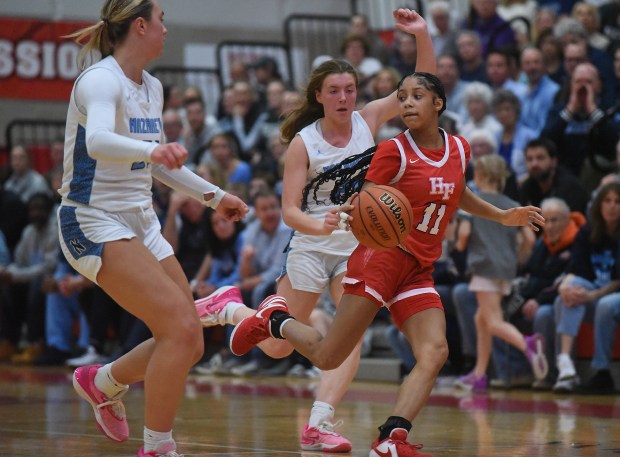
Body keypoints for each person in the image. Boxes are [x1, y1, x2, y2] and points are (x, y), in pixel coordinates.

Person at [227, 71, 545, 456]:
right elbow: (367, 202)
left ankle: (392, 438)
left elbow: (457, 192)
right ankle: (275, 318)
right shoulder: (394, 150)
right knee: (330, 355)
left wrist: (502, 215)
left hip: (419, 266)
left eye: (418, 96)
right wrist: (349, 213)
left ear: (438, 104)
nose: (408, 103)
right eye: (403, 97)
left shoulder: (460, 148)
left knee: (435, 352)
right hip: (381, 259)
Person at [195, 8, 438, 454]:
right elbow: (289, 211)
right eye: (334, 91)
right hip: (310, 243)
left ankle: (319, 423)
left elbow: (422, 84)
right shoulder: (303, 142)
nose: (344, 97)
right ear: (320, 96)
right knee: (276, 350)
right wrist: (320, 222)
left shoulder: (369, 120)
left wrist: (422, 33)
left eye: (349, 89)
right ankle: (231, 310)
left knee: (348, 340)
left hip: (358, 248)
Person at [60, 2, 248, 456]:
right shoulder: (100, 80)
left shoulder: (153, 87)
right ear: (140, 25)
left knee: (189, 342)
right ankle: (159, 447)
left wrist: (214, 196)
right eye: (161, 18)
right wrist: (152, 154)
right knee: (182, 331)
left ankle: (101, 381)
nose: (167, 27)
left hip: (141, 220)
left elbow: (160, 162)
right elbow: (101, 141)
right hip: (92, 218)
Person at [452, 154, 545, 393]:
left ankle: (528, 344)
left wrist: (457, 246)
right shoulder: (512, 203)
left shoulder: (472, 202)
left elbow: (462, 237)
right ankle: (480, 375)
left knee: (492, 321)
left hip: (484, 265)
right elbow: (529, 239)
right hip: (506, 268)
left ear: (479, 175)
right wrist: (517, 257)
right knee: (481, 319)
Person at [550, 182, 620, 393]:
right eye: (607, 201)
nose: (612, 206)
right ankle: (565, 366)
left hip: (611, 294)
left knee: (605, 305)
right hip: (592, 293)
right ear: (599, 204)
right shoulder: (588, 231)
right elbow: (575, 269)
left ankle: (602, 372)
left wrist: (592, 295)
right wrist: (564, 286)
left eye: (617, 201)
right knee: (566, 295)